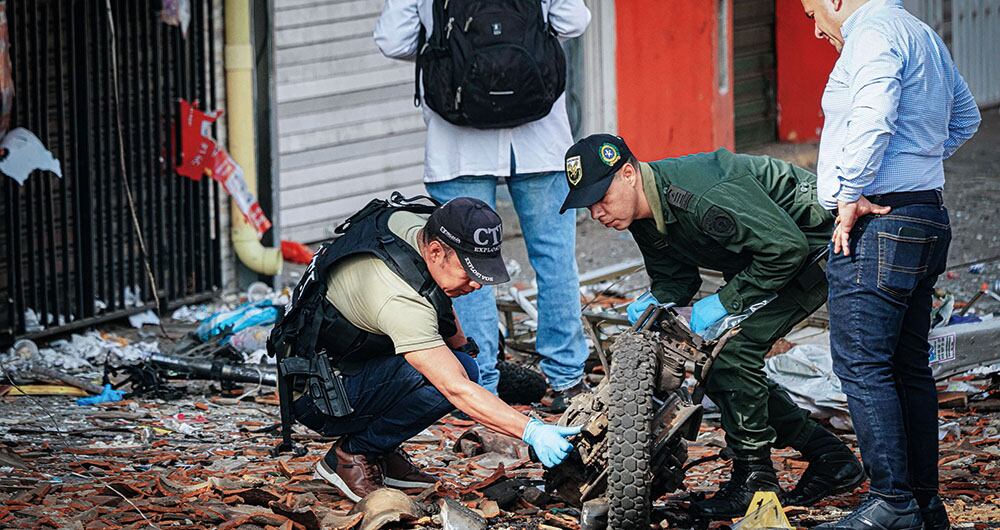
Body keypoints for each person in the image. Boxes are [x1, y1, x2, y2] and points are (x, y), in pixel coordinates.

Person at [559, 134, 864, 519]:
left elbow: (785, 249)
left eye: (601, 198)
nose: (597, 214)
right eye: (588, 206)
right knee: (715, 362)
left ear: (628, 174)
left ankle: (755, 479)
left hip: (815, 247)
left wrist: (722, 304)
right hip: (769, 258)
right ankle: (830, 457)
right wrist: (657, 302)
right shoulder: (641, 214)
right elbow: (676, 279)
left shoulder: (699, 195)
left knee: (732, 354)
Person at [798, 1, 980, 528]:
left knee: (862, 365)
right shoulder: (921, 33)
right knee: (907, 366)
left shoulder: (872, 33)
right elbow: (966, 118)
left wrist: (854, 191)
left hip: (880, 221)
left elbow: (875, 114)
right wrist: (916, 163)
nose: (816, 28)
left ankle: (891, 502)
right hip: (925, 213)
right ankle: (924, 503)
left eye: (813, 11)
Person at [269, 195, 580, 503]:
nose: (476, 284)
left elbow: (437, 297)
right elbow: (455, 388)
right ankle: (351, 456)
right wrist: (532, 430)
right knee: (448, 379)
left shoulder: (417, 227)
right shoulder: (400, 299)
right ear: (435, 251)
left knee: (462, 364)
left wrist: (461, 346)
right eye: (469, 271)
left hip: (338, 358)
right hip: (318, 394)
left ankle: (381, 451)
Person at [374, 0, 593, 412]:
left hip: (456, 144)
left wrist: (445, 44)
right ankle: (567, 380)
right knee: (556, 261)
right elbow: (575, 21)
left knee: (464, 268)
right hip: (540, 140)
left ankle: (482, 385)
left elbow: (392, 39)